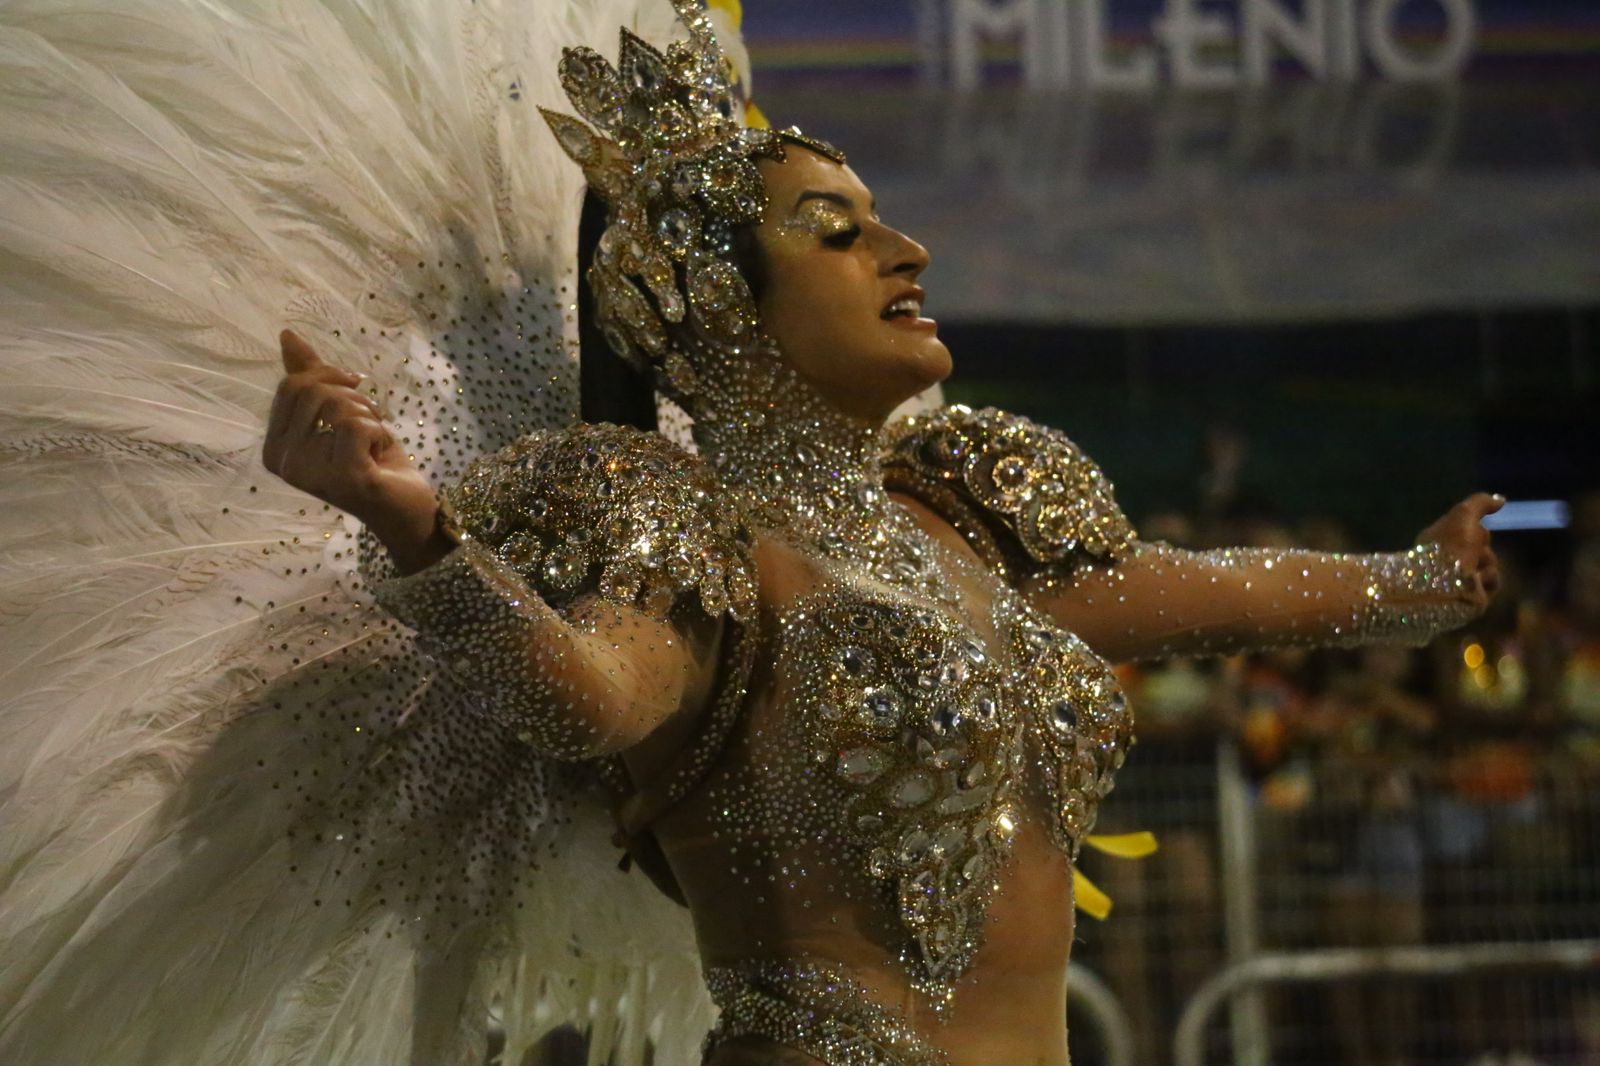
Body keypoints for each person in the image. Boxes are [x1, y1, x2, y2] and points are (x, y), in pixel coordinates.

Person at [0, 1, 1503, 1064]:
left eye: (881, 218)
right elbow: (581, 698)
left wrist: (1407, 584)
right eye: (833, 229)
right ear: (721, 309)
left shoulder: (971, 527)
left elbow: (1200, 590)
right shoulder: (685, 539)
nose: (903, 249)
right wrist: (409, 526)